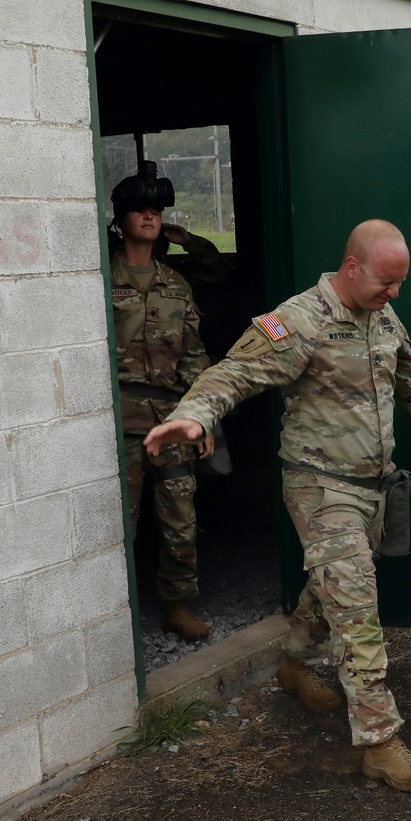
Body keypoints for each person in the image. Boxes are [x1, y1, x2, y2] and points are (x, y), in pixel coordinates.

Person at [144, 219, 411, 791]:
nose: (394, 295)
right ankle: (381, 743)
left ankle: (295, 664)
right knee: (357, 606)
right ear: (352, 266)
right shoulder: (298, 321)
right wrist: (195, 414)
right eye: (385, 284)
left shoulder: (382, 315)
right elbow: (235, 372)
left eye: (399, 285)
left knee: (330, 587)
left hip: (374, 484)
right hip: (321, 488)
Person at [110, 163, 228, 641]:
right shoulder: (100, 277)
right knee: (122, 526)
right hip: (122, 422)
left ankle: (178, 605)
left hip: (173, 422)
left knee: (181, 523)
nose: (150, 215)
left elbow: (195, 356)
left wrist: (205, 421)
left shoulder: (175, 284)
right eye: (139, 209)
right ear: (120, 219)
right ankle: (114, 617)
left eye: (156, 209)